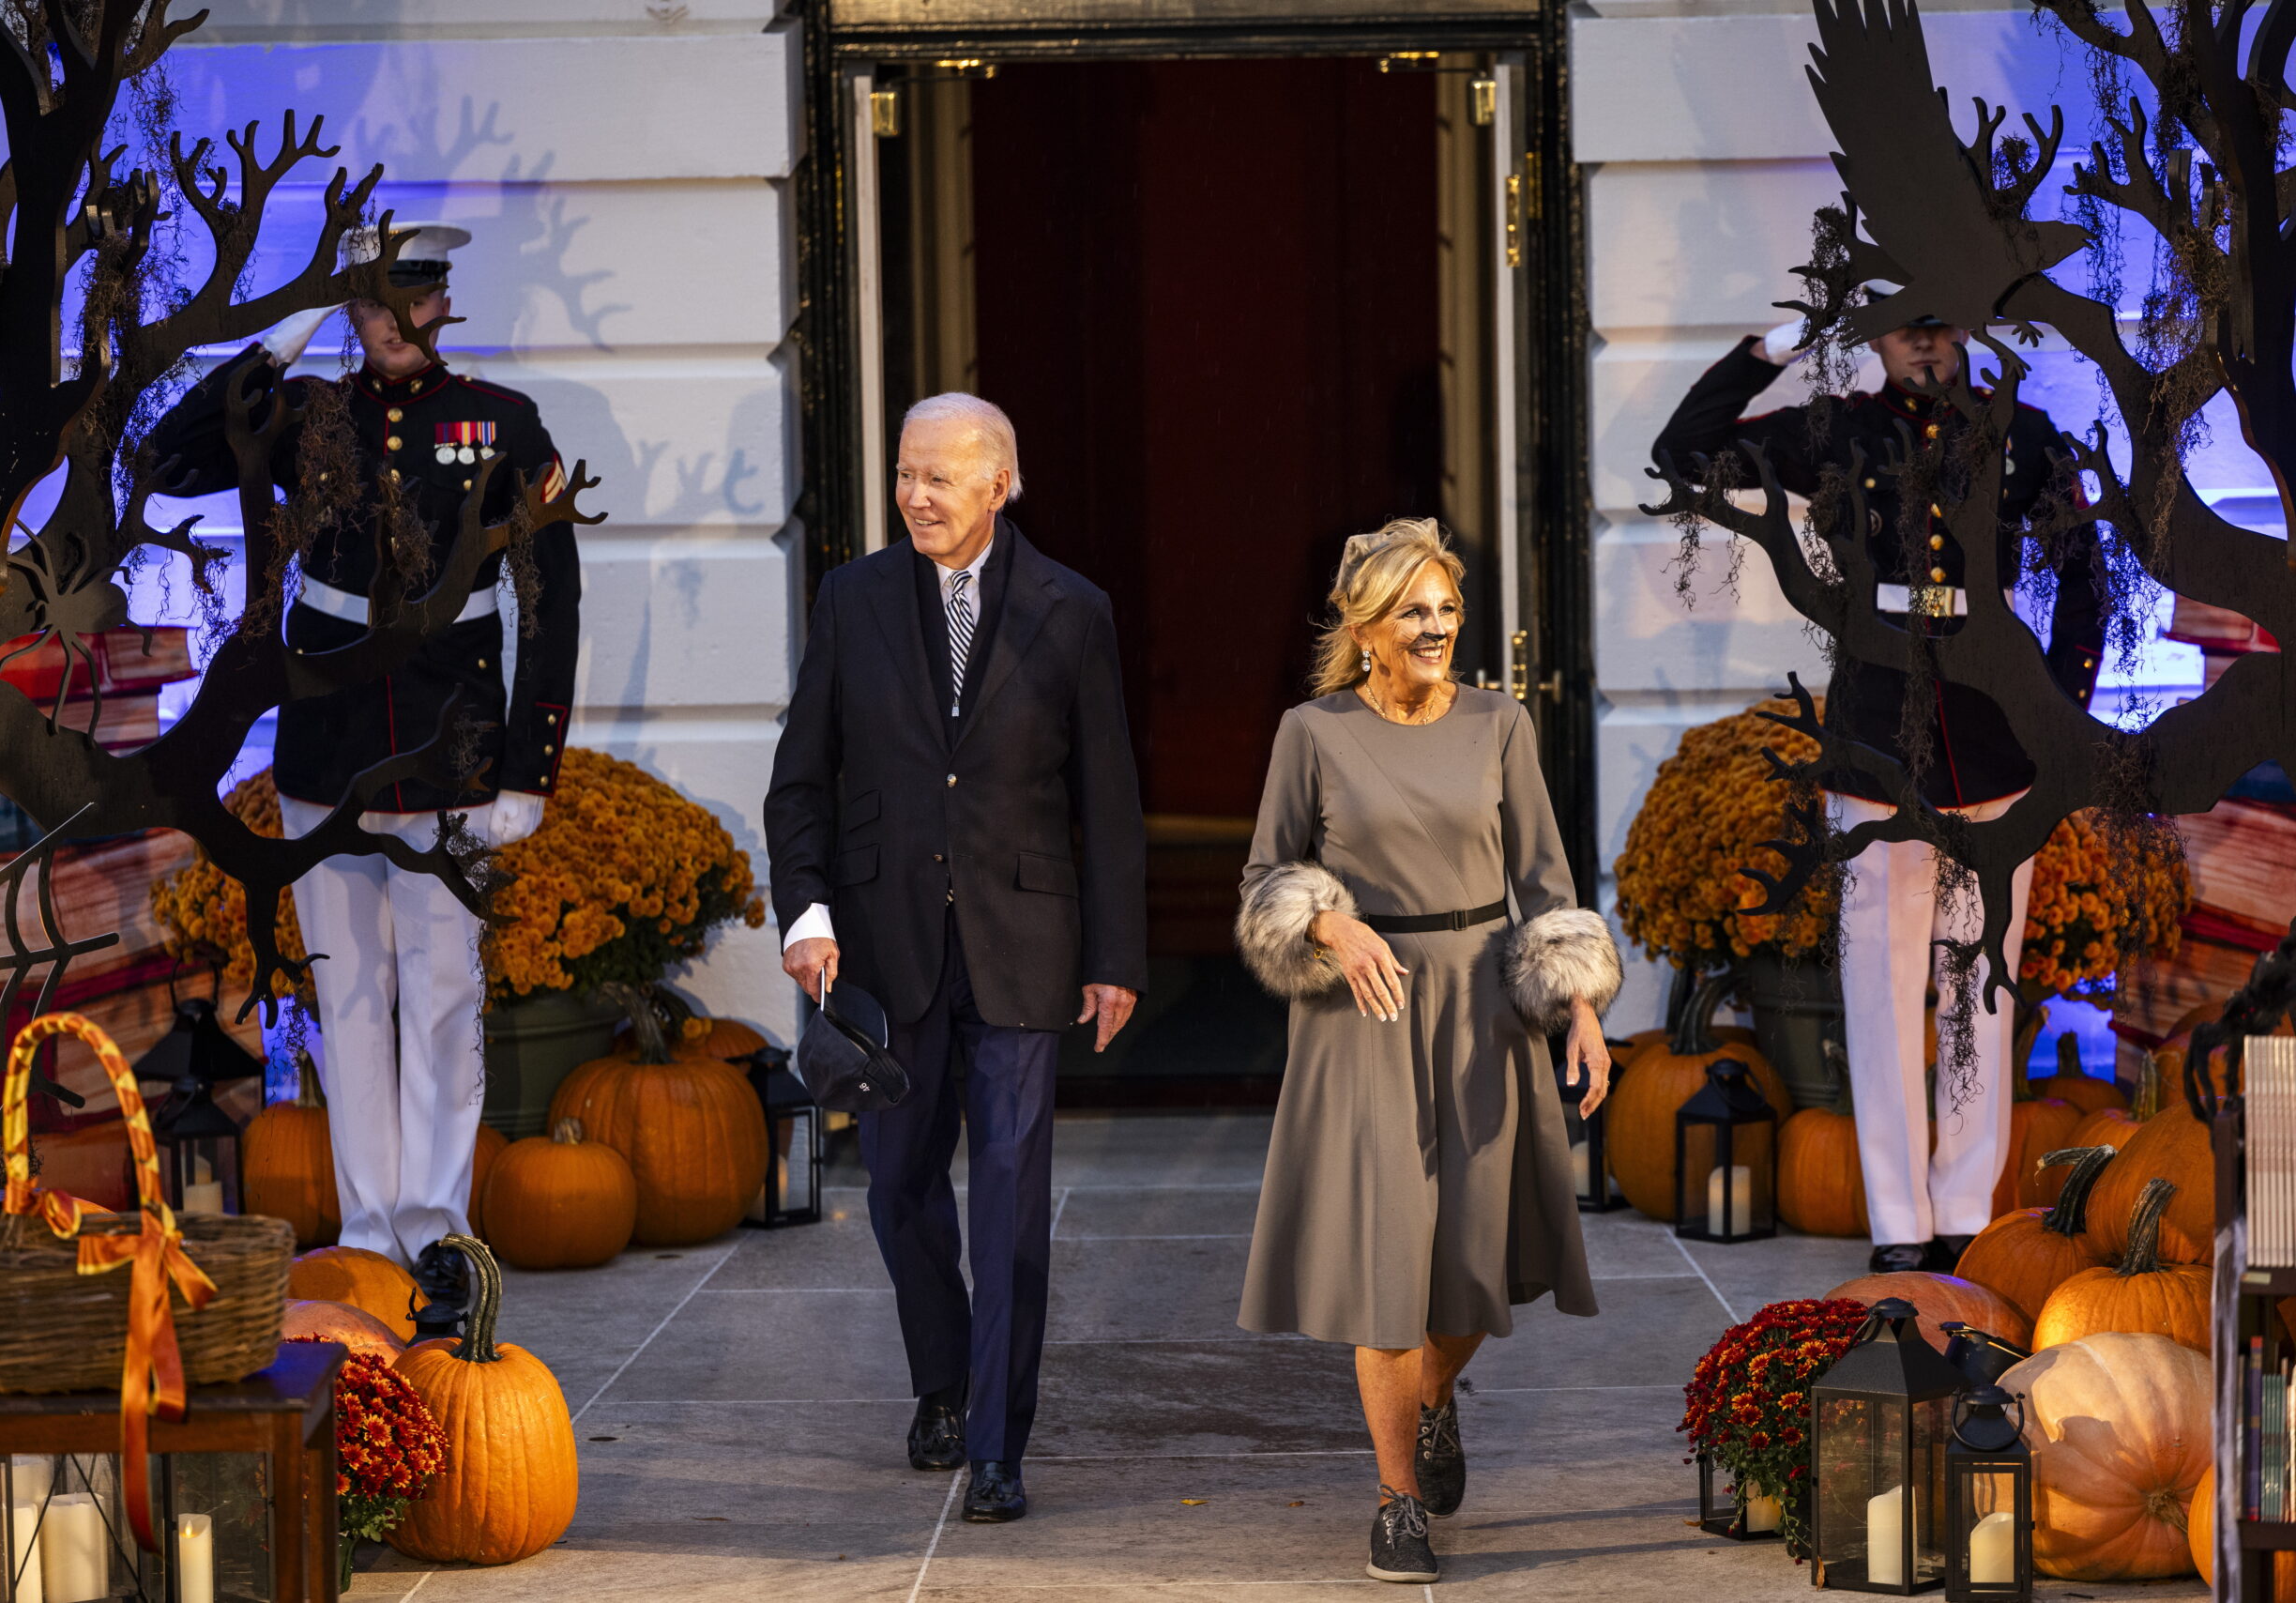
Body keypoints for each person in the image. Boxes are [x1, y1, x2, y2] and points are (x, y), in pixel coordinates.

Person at [145, 221, 582, 1326]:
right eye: (369, 301)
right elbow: (173, 458)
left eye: (410, 298)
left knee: (440, 998)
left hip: (450, 742)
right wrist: (276, 341)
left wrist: (529, 766)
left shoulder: (500, 423)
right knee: (347, 1000)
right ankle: (365, 1228)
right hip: (328, 742)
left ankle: (437, 1228)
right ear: (351, 309)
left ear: (440, 303)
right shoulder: (309, 415)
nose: (390, 321)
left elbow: (552, 599)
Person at [1650, 294, 2104, 1275]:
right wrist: (1782, 341)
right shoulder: (1839, 435)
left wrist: (2061, 709)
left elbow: (2083, 571)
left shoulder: (2019, 436)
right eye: (1904, 322)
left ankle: (1966, 1215)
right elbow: (1684, 450)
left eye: (1940, 320)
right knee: (1882, 989)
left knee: (1978, 988)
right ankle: (1899, 1224)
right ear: (1874, 336)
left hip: (1993, 735)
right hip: (1873, 735)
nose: (1926, 339)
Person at [763, 392, 1146, 1524]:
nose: (915, 496)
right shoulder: (853, 598)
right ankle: (940, 1378)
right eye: (904, 473)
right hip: (883, 947)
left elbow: (1107, 801)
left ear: (1001, 484)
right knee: (897, 1189)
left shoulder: (1074, 611)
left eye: (940, 477)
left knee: (1013, 1200)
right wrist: (807, 915)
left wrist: (1116, 955)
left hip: (1023, 945)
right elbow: (801, 781)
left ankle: (994, 1441)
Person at [1233, 519, 1620, 1585]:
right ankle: (1397, 1500)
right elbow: (1266, 875)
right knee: (1389, 1266)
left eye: (1447, 608)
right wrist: (1331, 924)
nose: (1438, 626)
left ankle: (1437, 1396)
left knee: (1476, 1265)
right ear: (1366, 629)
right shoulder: (1309, 732)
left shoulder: (1501, 725)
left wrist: (1580, 1006)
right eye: (1415, 610)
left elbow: (1544, 880)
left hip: (1484, 1009)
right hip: (1365, 1017)